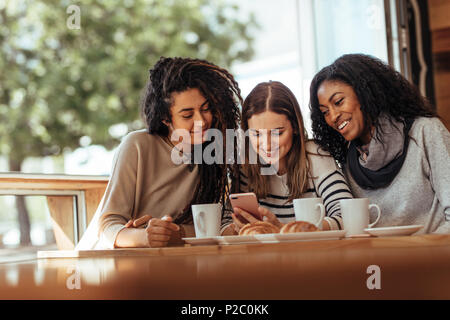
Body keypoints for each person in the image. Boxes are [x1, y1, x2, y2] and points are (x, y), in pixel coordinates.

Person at [76, 57, 242, 249]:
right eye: (187, 115)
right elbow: (107, 226)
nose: (202, 121)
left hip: (170, 263)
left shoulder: (213, 155)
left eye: (206, 109)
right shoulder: (137, 146)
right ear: (165, 117)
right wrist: (145, 237)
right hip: (110, 264)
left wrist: (175, 234)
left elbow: (207, 229)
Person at [309, 53, 450, 233]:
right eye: (325, 112)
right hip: (376, 260)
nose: (333, 116)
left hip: (431, 256)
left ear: (364, 92)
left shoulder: (425, 131)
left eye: (338, 102)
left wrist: (419, 253)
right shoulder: (347, 160)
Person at [221, 81, 353, 235]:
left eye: (277, 133)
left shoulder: (315, 155)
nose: (267, 145)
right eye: (256, 134)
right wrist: (238, 227)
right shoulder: (247, 164)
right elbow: (224, 225)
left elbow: (348, 216)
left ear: (295, 127)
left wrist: (283, 230)